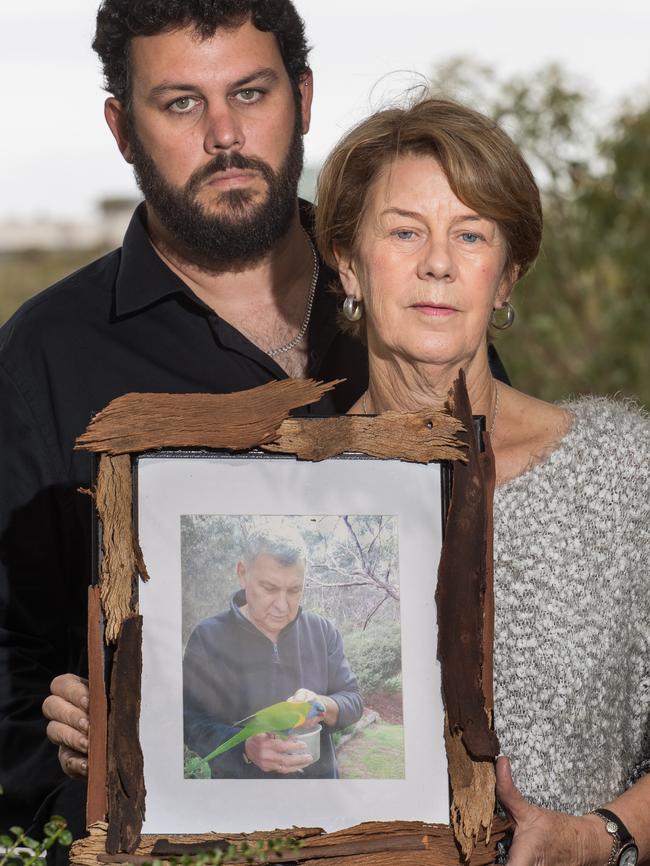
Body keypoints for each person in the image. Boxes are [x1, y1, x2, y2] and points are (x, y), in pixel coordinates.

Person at [1, 0, 372, 837]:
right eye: (179, 104)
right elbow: (8, 655)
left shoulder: (411, 315)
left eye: (250, 93)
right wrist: (70, 757)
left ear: (303, 99)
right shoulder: (42, 359)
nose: (224, 135)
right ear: (121, 128)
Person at [314, 98, 650, 865]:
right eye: (405, 232)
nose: (439, 262)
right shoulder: (286, 496)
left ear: (506, 278)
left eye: (471, 235)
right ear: (347, 263)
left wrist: (601, 838)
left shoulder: (627, 469)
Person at [183, 527, 362, 778]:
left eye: (294, 590)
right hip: (243, 801)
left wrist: (322, 705)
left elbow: (352, 699)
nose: (282, 605)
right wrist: (243, 748)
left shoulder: (322, 631)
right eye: (269, 588)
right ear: (243, 574)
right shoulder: (207, 637)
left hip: (319, 796)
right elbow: (189, 721)